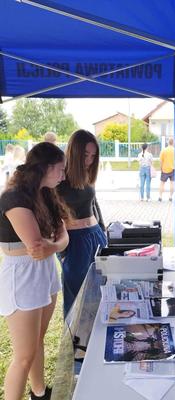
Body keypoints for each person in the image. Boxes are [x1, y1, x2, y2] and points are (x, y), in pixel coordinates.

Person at [0, 142, 69, 400]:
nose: (63, 176)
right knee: (23, 356)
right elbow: (36, 246)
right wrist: (55, 244)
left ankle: (39, 393)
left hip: (44, 272)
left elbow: (62, 236)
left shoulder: (44, 193)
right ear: (46, 168)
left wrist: (55, 245)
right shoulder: (14, 198)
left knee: (37, 340)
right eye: (60, 170)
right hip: (22, 277)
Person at [57, 129, 107, 317]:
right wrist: (62, 253)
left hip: (96, 236)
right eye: (85, 155)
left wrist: (103, 231)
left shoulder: (87, 174)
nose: (89, 160)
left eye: (93, 156)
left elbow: (94, 203)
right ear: (74, 152)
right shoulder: (59, 177)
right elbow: (52, 216)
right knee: (77, 297)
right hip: (74, 241)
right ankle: (76, 345)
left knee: (101, 292)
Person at [158, 137, 175, 202]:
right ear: (173, 143)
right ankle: (170, 197)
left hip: (164, 169)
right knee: (172, 183)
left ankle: (160, 197)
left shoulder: (164, 150)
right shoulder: (174, 150)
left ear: (168, 143)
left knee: (162, 183)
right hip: (173, 169)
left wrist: (161, 168)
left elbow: (161, 161)